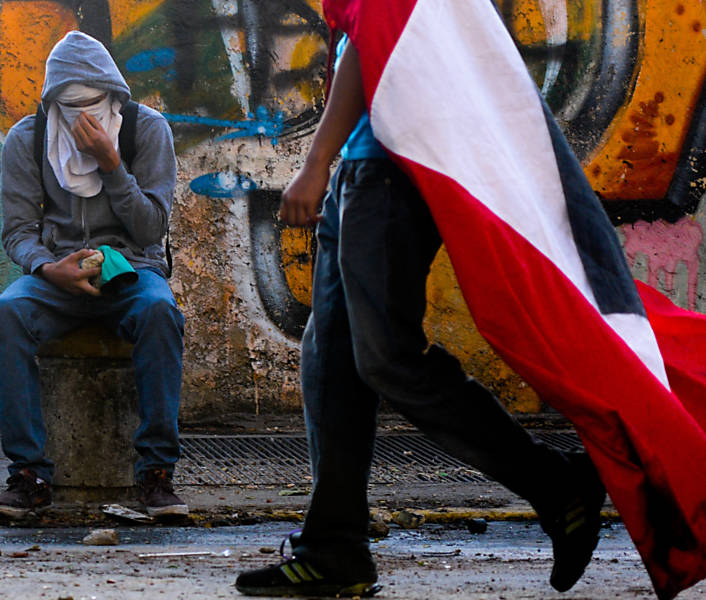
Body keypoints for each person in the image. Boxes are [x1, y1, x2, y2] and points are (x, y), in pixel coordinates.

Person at [234, 33, 606, 597]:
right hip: (365, 172)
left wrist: (314, 162)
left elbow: (369, 39)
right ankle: (333, 550)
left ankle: (557, 485)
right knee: (330, 359)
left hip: (390, 172)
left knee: (387, 358)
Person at [0, 31, 187, 519]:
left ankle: (156, 474)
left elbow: (152, 228)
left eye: (94, 104)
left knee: (161, 311)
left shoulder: (147, 131)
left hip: (132, 269)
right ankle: (29, 475)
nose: (84, 117)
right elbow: (17, 231)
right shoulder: (28, 139)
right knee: (6, 314)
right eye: (72, 106)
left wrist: (112, 165)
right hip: (57, 275)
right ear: (54, 102)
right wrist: (48, 267)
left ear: (114, 95)